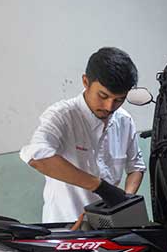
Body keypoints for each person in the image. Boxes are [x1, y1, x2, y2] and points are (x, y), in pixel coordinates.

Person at [20, 47, 146, 223]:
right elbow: (38, 157)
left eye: (118, 99)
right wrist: (99, 187)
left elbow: (136, 167)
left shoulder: (124, 121)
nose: (109, 107)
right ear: (86, 81)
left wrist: (123, 202)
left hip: (110, 225)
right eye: (103, 96)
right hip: (67, 226)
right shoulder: (62, 116)